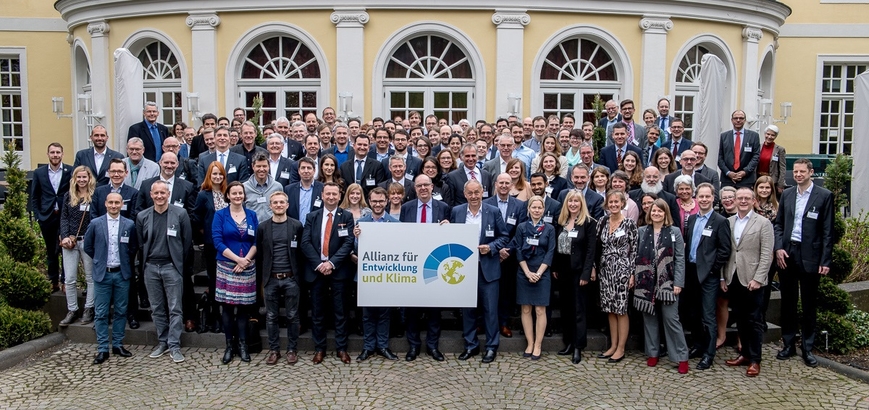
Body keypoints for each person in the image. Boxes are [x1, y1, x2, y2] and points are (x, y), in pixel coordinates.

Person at [774, 158, 834, 368]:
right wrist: (778, 247)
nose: (798, 175)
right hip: (788, 253)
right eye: (796, 172)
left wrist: (825, 260)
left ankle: (807, 347)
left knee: (808, 303)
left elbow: (828, 231)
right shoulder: (788, 194)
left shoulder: (824, 195)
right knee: (788, 302)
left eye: (802, 172)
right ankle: (788, 344)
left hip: (811, 255)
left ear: (810, 172)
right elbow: (779, 224)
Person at [452, 179, 509, 363]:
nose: (474, 196)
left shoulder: (493, 211)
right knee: (468, 309)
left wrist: (491, 247)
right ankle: (471, 345)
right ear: (464, 194)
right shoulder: (457, 211)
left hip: (488, 269)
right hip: (464, 269)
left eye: (477, 192)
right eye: (470, 193)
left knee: (490, 310)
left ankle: (491, 347)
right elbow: (450, 237)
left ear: (482, 192)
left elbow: (504, 236)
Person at [137, 180, 193, 364]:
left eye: (163, 193)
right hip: (151, 268)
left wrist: (179, 265)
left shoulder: (180, 214)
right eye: (156, 193)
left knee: (175, 308)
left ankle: (174, 344)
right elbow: (141, 244)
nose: (160, 196)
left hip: (172, 267)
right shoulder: (143, 216)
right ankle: (163, 341)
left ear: (168, 194)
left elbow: (186, 243)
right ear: (151, 195)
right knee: (157, 308)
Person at [301, 182, 356, 364]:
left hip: (338, 271)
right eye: (328, 194)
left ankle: (341, 348)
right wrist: (319, 264)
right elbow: (305, 243)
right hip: (317, 272)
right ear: (322, 196)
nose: (331, 197)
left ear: (339, 196)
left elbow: (348, 243)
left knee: (341, 311)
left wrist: (331, 263)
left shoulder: (346, 216)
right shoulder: (312, 216)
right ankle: (319, 348)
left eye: (334, 194)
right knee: (318, 312)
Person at [722, 187, 774, 377]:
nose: (743, 201)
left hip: (753, 279)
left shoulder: (763, 223)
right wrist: (723, 277)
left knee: (754, 320)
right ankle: (744, 354)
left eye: (746, 198)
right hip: (733, 277)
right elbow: (725, 251)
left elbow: (767, 254)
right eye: (740, 198)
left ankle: (755, 359)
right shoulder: (728, 222)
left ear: (753, 201)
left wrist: (759, 278)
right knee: (740, 318)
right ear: (735, 201)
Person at [399, 175, 452, 361]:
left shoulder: (443, 208)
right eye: (419, 185)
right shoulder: (406, 208)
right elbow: (401, 235)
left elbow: (450, 237)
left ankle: (432, 346)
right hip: (413, 264)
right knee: (412, 309)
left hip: (434, 265)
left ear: (432, 187)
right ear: (414, 188)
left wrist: (449, 226)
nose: (423, 188)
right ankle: (413, 346)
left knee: (434, 309)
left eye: (426, 185)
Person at [634, 198, 689, 374]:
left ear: (665, 213)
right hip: (645, 282)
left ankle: (681, 357)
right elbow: (634, 256)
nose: (656, 213)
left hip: (668, 282)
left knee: (671, 320)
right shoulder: (642, 231)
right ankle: (652, 352)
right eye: (654, 211)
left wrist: (678, 282)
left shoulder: (674, 231)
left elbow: (680, 258)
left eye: (660, 211)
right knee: (649, 319)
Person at [84, 192, 138, 364]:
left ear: (122, 204)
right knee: (101, 313)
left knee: (121, 311)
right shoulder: (95, 223)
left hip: (122, 273)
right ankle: (102, 348)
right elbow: (88, 246)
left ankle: (117, 344)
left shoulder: (129, 224)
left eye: (117, 203)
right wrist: (99, 260)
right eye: (111, 202)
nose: (114, 206)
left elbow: (133, 247)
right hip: (103, 274)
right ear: (105, 204)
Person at [683, 183, 732, 370]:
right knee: (693, 313)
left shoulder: (720, 221)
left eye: (707, 196)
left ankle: (709, 354)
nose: (704, 200)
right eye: (701, 196)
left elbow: (724, 250)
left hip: (708, 275)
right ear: (696, 198)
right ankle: (698, 345)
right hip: (691, 272)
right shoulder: (692, 219)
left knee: (708, 316)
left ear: (713, 198)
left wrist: (713, 270)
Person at [213, 181, 259, 364]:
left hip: (247, 265)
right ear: (228, 196)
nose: (238, 196)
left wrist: (245, 260)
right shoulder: (220, 215)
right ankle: (229, 346)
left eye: (240, 193)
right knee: (227, 307)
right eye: (234, 193)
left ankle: (243, 345)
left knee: (244, 308)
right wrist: (237, 259)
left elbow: (256, 241)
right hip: (227, 266)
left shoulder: (252, 215)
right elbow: (217, 241)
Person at [354, 187, 401, 362]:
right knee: (367, 314)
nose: (378, 204)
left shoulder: (395, 224)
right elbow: (356, 250)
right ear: (369, 201)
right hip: (367, 274)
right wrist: (356, 238)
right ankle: (368, 347)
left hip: (387, 274)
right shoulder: (361, 222)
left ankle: (382, 346)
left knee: (384, 313)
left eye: (381, 201)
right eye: (374, 201)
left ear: (386, 201)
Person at [551, 190, 597, 364]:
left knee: (579, 310)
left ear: (581, 203)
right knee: (566, 308)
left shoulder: (589, 223)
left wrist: (586, 273)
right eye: (570, 201)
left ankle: (578, 346)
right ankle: (569, 342)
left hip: (579, 272)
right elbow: (557, 247)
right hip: (563, 271)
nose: (573, 204)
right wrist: (555, 267)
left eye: (576, 201)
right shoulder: (561, 221)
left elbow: (591, 251)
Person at [595, 190, 638, 363]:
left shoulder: (629, 224)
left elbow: (634, 250)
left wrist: (632, 273)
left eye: (616, 202)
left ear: (622, 203)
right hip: (605, 270)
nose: (613, 205)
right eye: (610, 202)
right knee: (610, 309)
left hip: (622, 270)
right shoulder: (602, 222)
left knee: (621, 309)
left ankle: (621, 348)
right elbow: (597, 246)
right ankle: (613, 345)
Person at [511, 196, 556, 360]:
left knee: (540, 309)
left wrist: (539, 273)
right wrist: (528, 272)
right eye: (534, 207)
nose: (537, 210)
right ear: (528, 209)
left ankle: (538, 344)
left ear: (544, 210)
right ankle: (529, 343)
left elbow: (550, 252)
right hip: (524, 271)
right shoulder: (522, 227)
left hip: (542, 272)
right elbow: (518, 250)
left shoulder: (549, 228)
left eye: (540, 208)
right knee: (526, 309)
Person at [58, 166, 97, 327]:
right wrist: (65, 236)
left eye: (84, 177)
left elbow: (95, 219)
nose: (81, 180)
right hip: (70, 242)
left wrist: (90, 237)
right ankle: (72, 310)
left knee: (90, 277)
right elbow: (64, 218)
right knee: (70, 279)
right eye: (78, 177)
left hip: (87, 241)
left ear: (89, 178)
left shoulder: (94, 196)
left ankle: (89, 308)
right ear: (74, 179)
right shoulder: (68, 196)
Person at [30, 143, 72, 292]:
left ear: (62, 154)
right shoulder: (39, 172)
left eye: (58, 152)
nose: (55, 155)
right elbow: (35, 196)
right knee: (51, 251)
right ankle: (53, 281)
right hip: (47, 217)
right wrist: (38, 216)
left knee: (66, 249)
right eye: (52, 152)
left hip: (64, 216)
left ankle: (66, 281)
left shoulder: (70, 171)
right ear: (48, 154)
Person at [191, 161, 227, 333]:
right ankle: (215, 315)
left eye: (220, 174)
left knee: (226, 279)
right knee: (213, 280)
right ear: (209, 176)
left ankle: (226, 315)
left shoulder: (228, 193)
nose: (217, 177)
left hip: (229, 244)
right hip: (211, 244)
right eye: (214, 174)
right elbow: (196, 217)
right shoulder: (203, 195)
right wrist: (202, 236)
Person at [719, 110, 760, 188]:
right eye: (736, 118)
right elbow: (719, 156)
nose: (738, 120)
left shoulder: (754, 136)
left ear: (745, 120)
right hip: (727, 179)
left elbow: (756, 156)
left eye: (741, 118)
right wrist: (728, 172)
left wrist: (745, 172)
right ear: (732, 120)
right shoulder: (723, 136)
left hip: (746, 179)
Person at [338, 134, 387, 198]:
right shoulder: (344, 167)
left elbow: (378, 188)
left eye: (365, 145)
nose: (362, 147)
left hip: (368, 202)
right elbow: (343, 189)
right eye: (359, 144)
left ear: (369, 148)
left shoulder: (377, 166)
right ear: (354, 146)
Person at [243, 154, 284, 223]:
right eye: (258, 166)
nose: (261, 169)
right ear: (253, 166)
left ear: (269, 166)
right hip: (252, 226)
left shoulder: (277, 187)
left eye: (264, 166)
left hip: (272, 226)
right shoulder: (244, 187)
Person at [757, 125, 787, 196]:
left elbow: (782, 168)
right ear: (765, 134)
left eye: (773, 135)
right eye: (768, 134)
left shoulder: (780, 150)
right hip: (757, 179)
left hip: (772, 181)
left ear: (776, 136)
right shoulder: (757, 147)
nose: (769, 137)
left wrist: (780, 184)